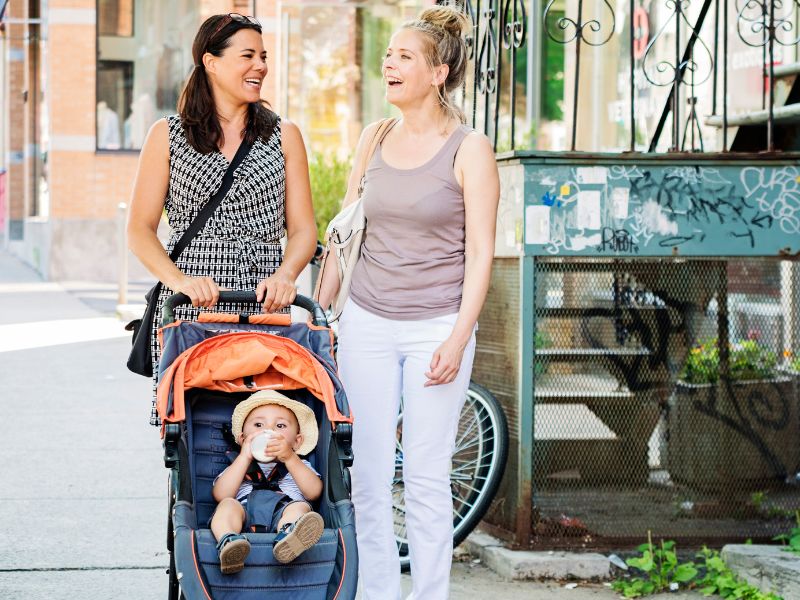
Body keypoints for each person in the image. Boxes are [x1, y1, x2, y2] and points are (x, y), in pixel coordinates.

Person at [317, 5, 500, 599]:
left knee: (424, 477)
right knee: (366, 478)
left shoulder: (470, 149)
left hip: (437, 326)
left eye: (403, 56)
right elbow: (347, 231)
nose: (388, 64)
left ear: (439, 71)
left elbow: (480, 255)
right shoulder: (375, 136)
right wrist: (324, 314)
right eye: (388, 54)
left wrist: (457, 337)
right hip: (366, 320)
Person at [127, 13, 317, 425]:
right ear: (211, 62)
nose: (261, 66)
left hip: (263, 299)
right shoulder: (168, 134)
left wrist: (286, 275)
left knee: (267, 427)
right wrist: (180, 282)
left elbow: (303, 230)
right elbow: (140, 230)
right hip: (192, 303)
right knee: (193, 435)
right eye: (247, 55)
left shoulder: (285, 136)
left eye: (263, 56)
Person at [211, 390, 324, 573]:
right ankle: (229, 540)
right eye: (258, 424)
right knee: (227, 505)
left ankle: (290, 536)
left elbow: (314, 492)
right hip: (244, 515)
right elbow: (220, 494)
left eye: (280, 426)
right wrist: (244, 457)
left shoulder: (298, 464)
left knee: (299, 508)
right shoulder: (237, 466)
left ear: (297, 441)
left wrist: (289, 457)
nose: (268, 431)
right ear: (242, 439)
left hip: (282, 513)